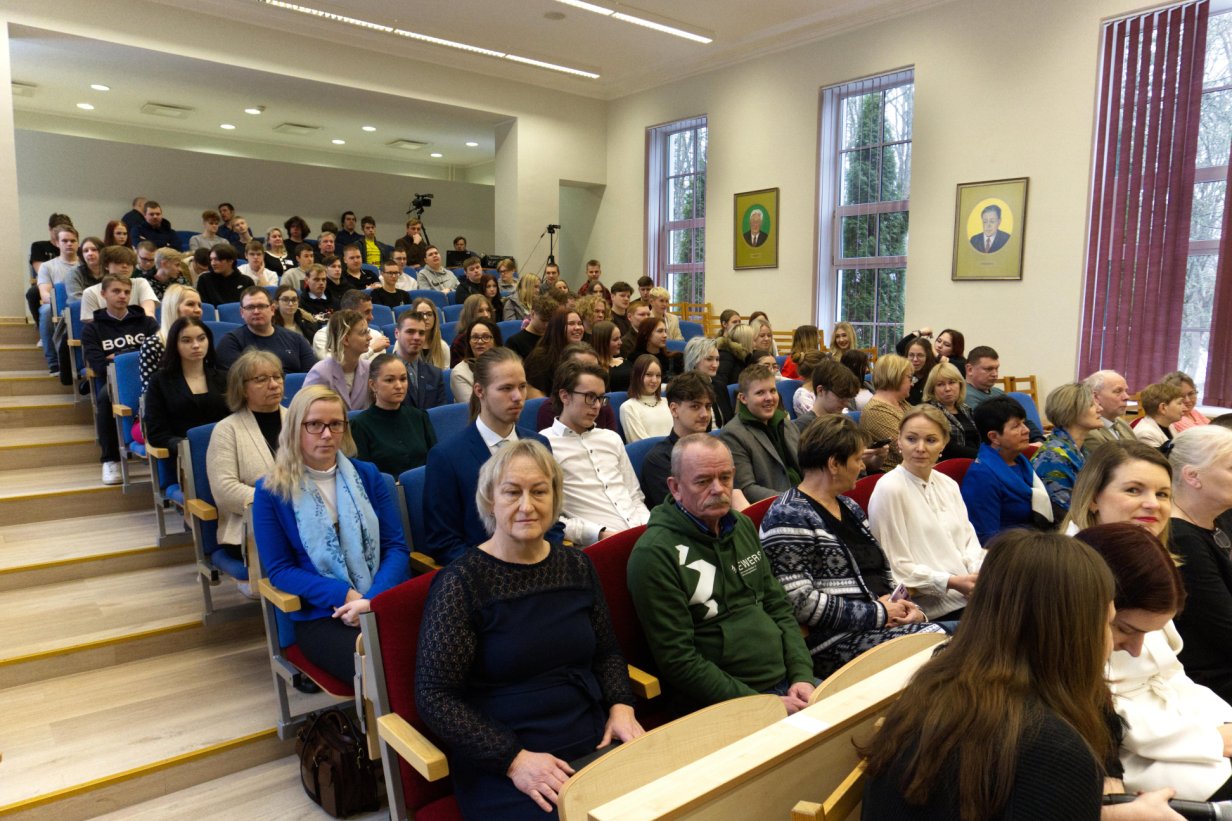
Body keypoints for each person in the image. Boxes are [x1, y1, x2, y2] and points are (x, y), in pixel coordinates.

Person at [861, 530, 1177, 820]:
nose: (1127, 648)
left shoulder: (934, 692)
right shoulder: (1053, 751)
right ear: (1070, 633)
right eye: (1109, 624)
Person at [417, 438, 642, 818]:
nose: (527, 506)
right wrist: (513, 760)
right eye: (512, 492)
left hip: (590, 735)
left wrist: (621, 705)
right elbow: (435, 696)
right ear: (490, 500)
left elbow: (606, 653)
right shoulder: (462, 583)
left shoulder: (577, 566)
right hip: (506, 759)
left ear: (555, 499)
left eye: (539, 491)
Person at [628, 434, 815, 712]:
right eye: (703, 481)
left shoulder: (741, 525)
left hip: (788, 684)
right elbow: (678, 660)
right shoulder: (654, 554)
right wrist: (762, 705)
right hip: (727, 703)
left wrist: (802, 674)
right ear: (675, 487)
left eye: (725, 478)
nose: (718, 489)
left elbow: (778, 606)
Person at [760, 416, 942, 678]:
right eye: (857, 459)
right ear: (834, 464)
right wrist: (878, 613)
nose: (862, 466)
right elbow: (799, 601)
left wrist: (913, 612)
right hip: (835, 643)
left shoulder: (850, 506)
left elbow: (883, 575)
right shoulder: (787, 515)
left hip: (882, 626)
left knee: (973, 636)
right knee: (957, 646)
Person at [253, 386, 409, 682]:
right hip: (323, 613)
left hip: (381, 597)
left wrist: (371, 599)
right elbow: (280, 570)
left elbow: (395, 548)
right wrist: (344, 594)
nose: (326, 434)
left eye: (335, 424)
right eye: (314, 424)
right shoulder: (271, 490)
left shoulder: (368, 475)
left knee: (435, 649)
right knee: (385, 665)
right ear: (295, 428)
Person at [1074, 523, 1232, 802]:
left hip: (1184, 729)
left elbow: (1174, 677)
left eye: (1162, 498)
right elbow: (1107, 720)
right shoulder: (1074, 643)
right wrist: (1211, 739)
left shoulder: (1148, 586)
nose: (1137, 650)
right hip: (1147, 755)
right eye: (1125, 630)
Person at [424, 348, 556, 565]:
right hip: (483, 573)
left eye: (522, 387)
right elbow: (444, 542)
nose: (518, 397)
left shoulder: (540, 444)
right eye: (506, 388)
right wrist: (496, 571)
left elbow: (552, 520)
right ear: (479, 390)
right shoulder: (446, 457)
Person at [868, 405, 984, 621]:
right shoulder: (890, 488)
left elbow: (969, 541)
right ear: (899, 441)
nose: (920, 448)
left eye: (931, 440)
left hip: (971, 595)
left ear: (944, 444)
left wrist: (976, 575)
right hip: (930, 608)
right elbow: (896, 566)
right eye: (911, 439)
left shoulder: (948, 484)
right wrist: (950, 582)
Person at [542, 361, 650, 545]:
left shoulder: (611, 438)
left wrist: (648, 528)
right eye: (590, 397)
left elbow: (634, 496)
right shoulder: (544, 445)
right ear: (565, 396)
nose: (597, 406)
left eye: (600, 398)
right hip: (598, 544)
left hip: (640, 535)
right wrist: (597, 534)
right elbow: (550, 518)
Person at [1168, 426, 1232, 705]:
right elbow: (1225, 630)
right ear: (1193, 476)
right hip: (1211, 680)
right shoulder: (1182, 539)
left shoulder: (1218, 517)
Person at [206, 350, 285, 569]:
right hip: (249, 525)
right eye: (261, 379)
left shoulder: (299, 420)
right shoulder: (226, 430)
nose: (274, 385)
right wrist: (279, 502)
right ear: (242, 388)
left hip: (305, 515)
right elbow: (225, 490)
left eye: (277, 376)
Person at [81, 274, 160, 485]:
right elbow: (99, 365)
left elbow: (160, 355)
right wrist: (137, 353)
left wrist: (118, 356)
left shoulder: (147, 322)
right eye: (116, 291)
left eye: (126, 292)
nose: (122, 296)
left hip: (151, 377)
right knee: (104, 398)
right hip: (114, 381)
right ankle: (111, 459)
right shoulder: (92, 329)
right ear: (103, 294)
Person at [961, 396, 1054, 544]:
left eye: (1023, 423)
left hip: (1035, 541)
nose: (1026, 430)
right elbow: (986, 538)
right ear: (994, 437)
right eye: (1016, 426)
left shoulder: (1021, 461)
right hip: (1010, 550)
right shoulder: (981, 476)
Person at [640, 372, 735, 508]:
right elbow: (680, 511)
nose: (705, 414)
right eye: (695, 406)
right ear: (674, 410)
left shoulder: (717, 449)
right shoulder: (659, 460)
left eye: (708, 406)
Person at [142, 317, 229, 459]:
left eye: (201, 338)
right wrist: (187, 446)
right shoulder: (160, 381)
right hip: (184, 457)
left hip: (225, 451)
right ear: (174, 345)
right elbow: (156, 434)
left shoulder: (225, 378)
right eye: (186, 340)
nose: (196, 345)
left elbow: (237, 420)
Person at [722, 362, 801, 502]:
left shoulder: (787, 424)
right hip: (777, 506)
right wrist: (794, 500)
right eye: (760, 393)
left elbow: (809, 467)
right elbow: (747, 489)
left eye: (773, 391)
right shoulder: (733, 435)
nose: (769, 398)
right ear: (743, 398)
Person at [1061, 440, 1174, 537]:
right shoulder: (1067, 556)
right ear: (1093, 499)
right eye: (1133, 490)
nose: (1154, 504)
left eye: (1161, 494)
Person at [350, 354, 436, 477]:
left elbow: (435, 461)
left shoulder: (419, 417)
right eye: (389, 380)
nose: (399, 386)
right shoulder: (359, 426)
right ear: (373, 385)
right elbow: (365, 475)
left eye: (403, 379)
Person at [1032, 382, 1103, 513]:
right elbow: (1067, 513)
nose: (1100, 409)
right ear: (1072, 412)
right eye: (1092, 405)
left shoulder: (1081, 450)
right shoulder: (1052, 459)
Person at [215, 286, 318, 373]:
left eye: (261, 306)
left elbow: (312, 376)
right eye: (250, 307)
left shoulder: (296, 339)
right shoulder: (231, 342)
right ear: (242, 312)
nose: (256, 311)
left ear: (272, 309)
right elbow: (235, 382)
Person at [137, 283, 203, 393]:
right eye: (191, 304)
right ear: (173, 308)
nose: (198, 310)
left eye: (199, 305)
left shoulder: (203, 341)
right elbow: (150, 393)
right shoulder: (153, 345)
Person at [304, 310, 373, 410]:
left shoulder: (370, 368)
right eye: (363, 333)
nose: (370, 337)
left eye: (368, 332)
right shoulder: (320, 373)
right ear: (346, 340)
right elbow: (306, 410)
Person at [857, 353, 912, 471]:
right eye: (909, 378)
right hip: (894, 474)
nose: (912, 383)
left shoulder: (902, 403)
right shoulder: (875, 411)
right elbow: (907, 450)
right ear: (896, 376)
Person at [79, 245, 159, 321]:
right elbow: (94, 324)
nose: (125, 266)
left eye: (129, 263)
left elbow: (148, 313)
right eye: (119, 262)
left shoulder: (141, 283)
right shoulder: (90, 292)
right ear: (106, 265)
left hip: (140, 329)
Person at [392, 309, 450, 411]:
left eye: (421, 333)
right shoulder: (383, 372)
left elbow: (441, 413)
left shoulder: (435, 374)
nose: (417, 337)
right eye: (410, 332)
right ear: (397, 333)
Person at [310, 289, 390, 362]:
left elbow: (380, 369)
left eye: (371, 312)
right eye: (366, 312)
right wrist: (372, 349)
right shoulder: (323, 336)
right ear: (349, 313)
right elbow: (333, 364)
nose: (371, 317)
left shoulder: (376, 336)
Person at [922, 361, 980, 460]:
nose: (947, 388)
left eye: (952, 382)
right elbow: (948, 448)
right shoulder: (929, 411)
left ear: (960, 384)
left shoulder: (965, 408)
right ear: (932, 389)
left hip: (975, 462)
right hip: (947, 464)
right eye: (940, 384)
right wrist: (982, 456)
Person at [524, 309, 586, 397]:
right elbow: (536, 397)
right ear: (558, 328)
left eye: (580, 323)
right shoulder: (541, 357)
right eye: (571, 323)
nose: (578, 328)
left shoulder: (583, 354)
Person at [683, 335, 734, 427]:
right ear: (694, 360)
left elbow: (729, 421)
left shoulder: (719, 386)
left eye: (717, 359)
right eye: (709, 359)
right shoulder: (684, 389)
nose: (715, 365)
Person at [620, 354, 673, 443]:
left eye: (658, 375)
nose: (654, 380)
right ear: (637, 376)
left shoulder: (667, 402)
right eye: (649, 374)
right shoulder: (628, 407)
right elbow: (640, 444)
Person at [450, 318, 502, 403]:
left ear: (496, 341)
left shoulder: (507, 365)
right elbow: (474, 407)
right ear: (469, 342)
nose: (480, 342)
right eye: (475, 337)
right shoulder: (460, 373)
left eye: (486, 337)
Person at [1084, 369, 1136, 449]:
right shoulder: (1088, 431)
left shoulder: (1122, 423)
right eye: (1118, 391)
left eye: (1126, 391)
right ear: (1096, 396)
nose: (1126, 397)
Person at [1134, 382, 1186, 449]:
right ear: (1163, 408)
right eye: (1179, 403)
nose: (1185, 408)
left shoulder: (1169, 425)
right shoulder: (1146, 434)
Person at [449, 294, 496, 367]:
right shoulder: (459, 342)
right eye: (480, 311)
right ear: (470, 314)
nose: (486, 315)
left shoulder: (494, 334)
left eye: (488, 310)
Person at [897, 326, 967, 374]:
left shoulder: (960, 363)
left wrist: (936, 354)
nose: (939, 346)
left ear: (954, 350)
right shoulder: (928, 356)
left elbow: (964, 369)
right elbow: (900, 348)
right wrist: (919, 332)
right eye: (939, 341)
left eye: (946, 344)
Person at [505, 294, 554, 359]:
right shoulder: (514, 342)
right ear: (532, 314)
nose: (547, 325)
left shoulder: (554, 338)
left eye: (550, 321)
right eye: (543, 320)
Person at [409, 296, 450, 369]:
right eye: (420, 314)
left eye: (429, 314)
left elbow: (444, 374)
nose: (425, 318)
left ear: (435, 318)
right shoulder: (402, 344)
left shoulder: (443, 346)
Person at [592, 320, 631, 394]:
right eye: (615, 339)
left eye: (620, 338)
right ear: (603, 342)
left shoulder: (625, 361)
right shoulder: (596, 368)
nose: (620, 342)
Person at [902, 336, 938, 405]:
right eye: (911, 355)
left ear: (928, 357)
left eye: (920, 355)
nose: (915, 359)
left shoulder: (935, 376)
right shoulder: (901, 376)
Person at [790, 350, 827, 417]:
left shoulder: (824, 388)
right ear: (819, 372)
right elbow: (819, 419)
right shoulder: (802, 396)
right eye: (828, 369)